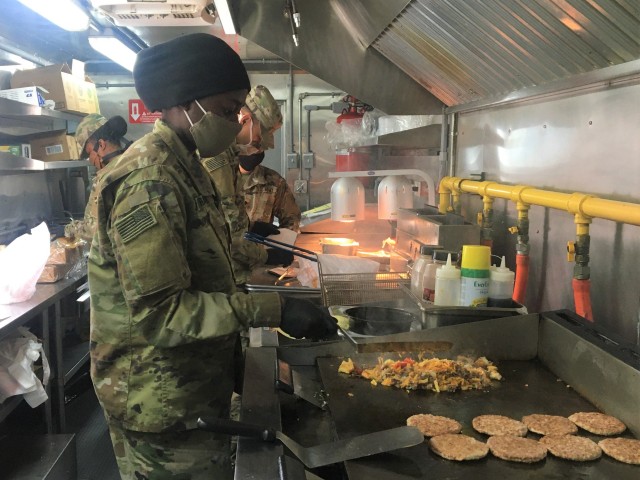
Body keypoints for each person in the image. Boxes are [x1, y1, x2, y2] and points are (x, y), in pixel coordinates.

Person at [87, 33, 337, 480]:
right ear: (187, 103)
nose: (233, 122)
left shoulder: (187, 166)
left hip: (191, 385)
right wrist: (273, 308)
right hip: (161, 399)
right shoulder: (151, 181)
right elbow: (162, 316)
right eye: (225, 110)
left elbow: (207, 267)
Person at [202, 85, 293, 285]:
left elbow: (223, 218)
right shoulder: (219, 162)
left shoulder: (229, 158)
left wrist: (252, 227)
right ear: (245, 119)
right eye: (262, 135)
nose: (260, 145)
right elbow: (230, 238)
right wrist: (266, 256)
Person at [65, 114, 130, 242]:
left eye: (89, 153)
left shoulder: (107, 178)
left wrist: (70, 229)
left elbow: (93, 231)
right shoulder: (132, 162)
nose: (90, 160)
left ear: (101, 144)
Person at [237, 150, 301, 232]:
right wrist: (251, 227)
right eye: (250, 145)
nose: (255, 151)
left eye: (259, 146)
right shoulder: (219, 180)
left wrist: (280, 239)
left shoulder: (273, 181)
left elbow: (292, 217)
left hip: (260, 243)